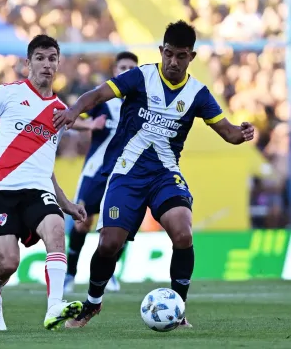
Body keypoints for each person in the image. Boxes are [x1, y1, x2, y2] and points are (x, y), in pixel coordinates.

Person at [53, 20, 254, 328]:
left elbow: (227, 132)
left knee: (183, 233)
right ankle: (92, 304)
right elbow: (96, 95)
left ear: (192, 57)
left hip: (164, 176)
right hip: (126, 175)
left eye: (181, 56)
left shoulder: (198, 94)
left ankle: (179, 309)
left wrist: (242, 133)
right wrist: (73, 110)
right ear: (161, 51)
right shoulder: (140, 77)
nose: (174, 61)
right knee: (109, 243)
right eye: (169, 54)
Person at [0, 35, 86, 331]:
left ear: (58, 64)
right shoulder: (6, 94)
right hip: (0, 189)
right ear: (28, 63)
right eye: (40, 58)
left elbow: (45, 165)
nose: (46, 64)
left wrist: (67, 204)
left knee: (57, 229)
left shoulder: (61, 112)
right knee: (9, 262)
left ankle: (54, 307)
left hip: (37, 189)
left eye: (52, 58)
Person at [64, 52, 139, 294]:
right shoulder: (102, 98)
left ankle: (110, 274)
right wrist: (89, 125)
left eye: (132, 67)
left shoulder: (143, 102)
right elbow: (69, 119)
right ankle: (70, 274)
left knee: (120, 226)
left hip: (125, 173)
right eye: (123, 67)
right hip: (96, 171)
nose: (127, 71)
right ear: (115, 71)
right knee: (82, 222)